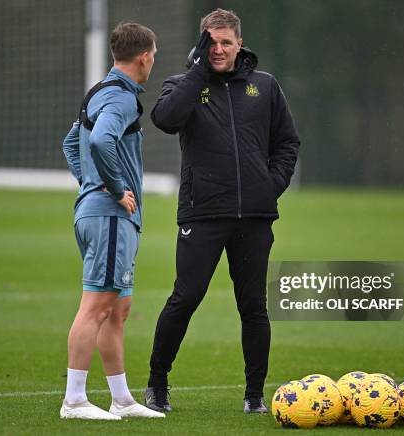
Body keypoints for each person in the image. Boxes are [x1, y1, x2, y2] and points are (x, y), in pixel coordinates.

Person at [144, 9, 300, 413]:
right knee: (186, 297)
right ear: (201, 44)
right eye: (210, 42)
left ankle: (254, 397)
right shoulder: (183, 84)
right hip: (203, 214)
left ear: (239, 44)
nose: (218, 49)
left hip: (255, 217)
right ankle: (157, 386)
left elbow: (287, 142)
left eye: (226, 42)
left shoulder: (264, 87)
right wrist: (197, 71)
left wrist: (271, 185)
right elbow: (164, 119)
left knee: (253, 307)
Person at [60, 22, 164, 420]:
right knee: (97, 306)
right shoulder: (119, 98)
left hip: (101, 213)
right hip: (109, 216)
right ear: (145, 57)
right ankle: (74, 400)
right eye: (153, 54)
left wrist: (89, 182)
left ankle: (121, 398)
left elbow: (72, 142)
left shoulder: (100, 91)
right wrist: (114, 187)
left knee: (117, 308)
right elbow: (102, 140)